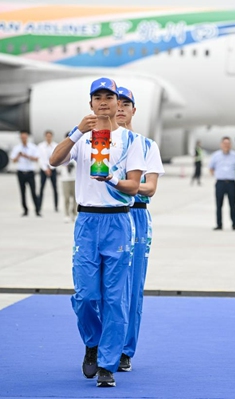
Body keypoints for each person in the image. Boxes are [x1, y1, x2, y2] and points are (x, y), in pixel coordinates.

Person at [50, 77, 146, 388]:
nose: (104, 102)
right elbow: (53, 160)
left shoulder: (131, 142)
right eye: (98, 97)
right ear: (90, 103)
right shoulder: (81, 138)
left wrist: (113, 179)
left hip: (118, 221)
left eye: (110, 96)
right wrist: (78, 131)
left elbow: (134, 185)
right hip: (87, 222)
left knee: (115, 298)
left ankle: (107, 364)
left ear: (120, 104)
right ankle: (92, 342)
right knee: (85, 295)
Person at [116, 86, 164, 372]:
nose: (120, 108)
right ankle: (98, 344)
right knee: (103, 288)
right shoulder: (98, 144)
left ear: (134, 110)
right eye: (115, 102)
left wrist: (119, 185)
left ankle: (124, 350)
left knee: (132, 288)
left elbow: (150, 188)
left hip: (135, 217)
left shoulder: (147, 146)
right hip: (105, 217)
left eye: (126, 103)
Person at [209, 137, 235, 231]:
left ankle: (234, 224)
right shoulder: (216, 155)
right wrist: (218, 175)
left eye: (228, 144)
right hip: (220, 183)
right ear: (221, 144)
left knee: (233, 205)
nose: (226, 145)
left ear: (230, 145)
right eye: (224, 143)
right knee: (219, 205)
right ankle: (219, 224)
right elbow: (211, 168)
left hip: (231, 183)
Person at [10, 131, 41, 217]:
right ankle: (25, 210)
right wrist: (18, 156)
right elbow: (13, 160)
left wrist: (27, 156)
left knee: (33, 191)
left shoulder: (32, 147)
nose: (23, 139)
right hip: (21, 172)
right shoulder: (17, 148)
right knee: (22, 192)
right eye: (22, 138)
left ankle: (37, 209)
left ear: (27, 138)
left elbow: (37, 158)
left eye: (25, 137)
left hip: (30, 171)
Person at [38, 130, 58, 212]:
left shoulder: (55, 145)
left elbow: (57, 158)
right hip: (44, 169)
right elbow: (40, 158)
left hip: (53, 169)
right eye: (47, 136)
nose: (48, 138)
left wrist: (50, 168)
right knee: (41, 188)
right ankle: (39, 206)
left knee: (55, 188)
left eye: (50, 136)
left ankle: (56, 206)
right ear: (45, 137)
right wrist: (45, 168)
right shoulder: (41, 146)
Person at [59, 132, 77, 223]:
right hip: (65, 178)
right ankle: (66, 214)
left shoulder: (77, 148)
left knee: (75, 198)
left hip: (74, 177)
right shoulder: (62, 149)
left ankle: (74, 213)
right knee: (66, 197)